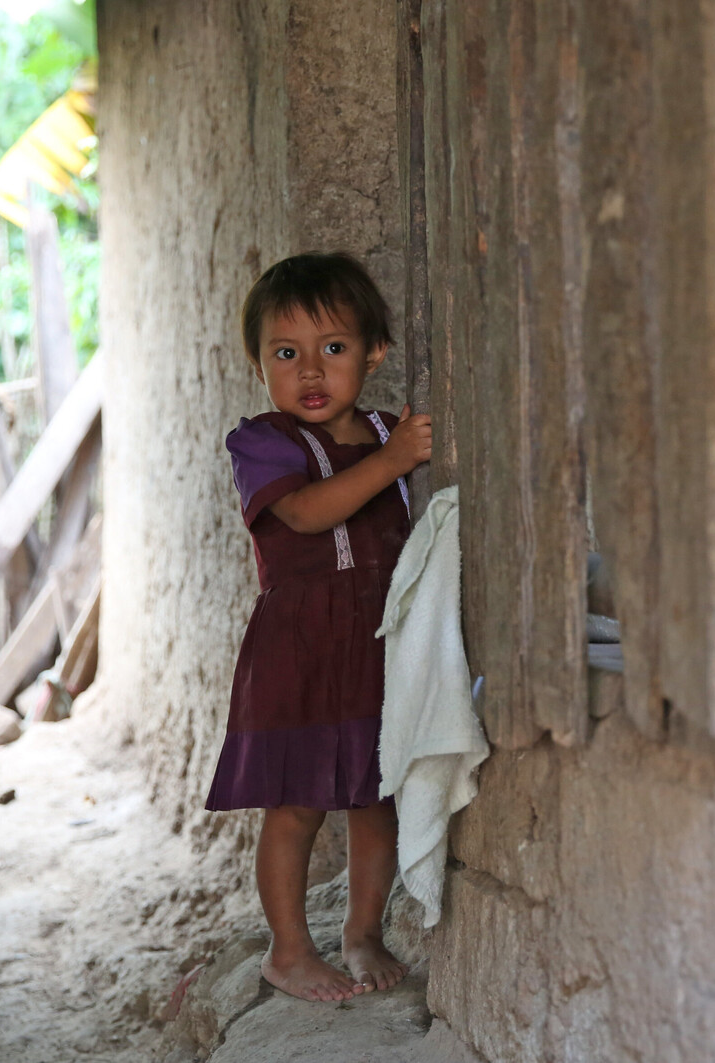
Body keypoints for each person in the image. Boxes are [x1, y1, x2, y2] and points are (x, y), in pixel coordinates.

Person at [204, 252, 431, 1002]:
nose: (310, 370)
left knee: (376, 796)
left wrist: (396, 447)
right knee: (297, 803)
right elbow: (305, 512)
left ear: (374, 353)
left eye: (334, 348)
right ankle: (289, 950)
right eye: (286, 352)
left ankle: (362, 933)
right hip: (299, 647)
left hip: (375, 640)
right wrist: (395, 457)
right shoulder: (261, 442)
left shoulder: (384, 429)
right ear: (258, 362)